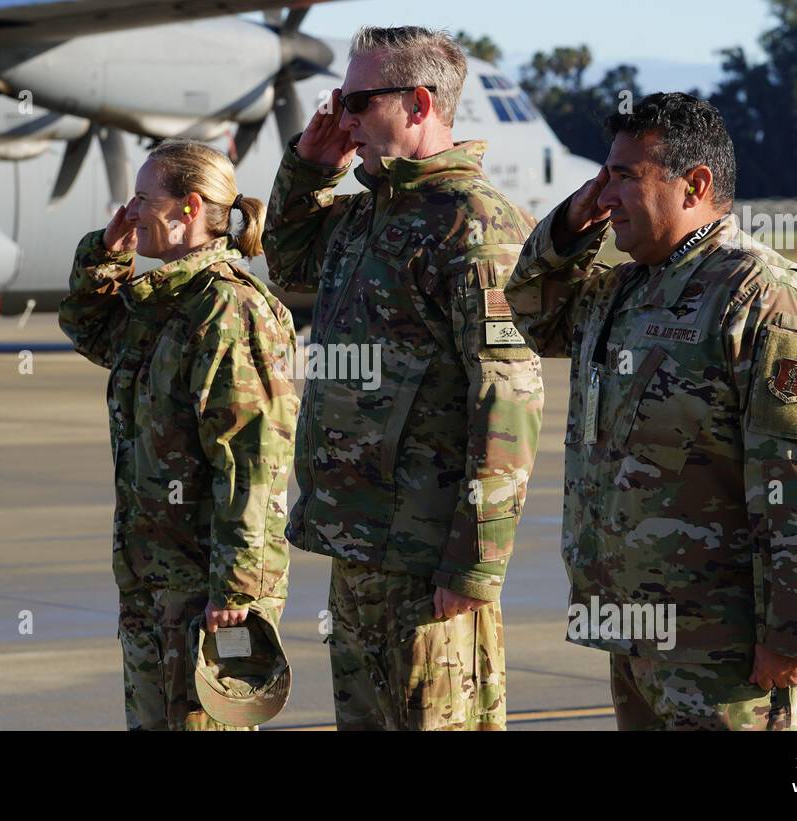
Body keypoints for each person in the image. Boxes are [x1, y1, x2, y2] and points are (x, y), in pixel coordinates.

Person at [505, 92, 797, 730]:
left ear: (695, 185)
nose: (607, 195)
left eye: (626, 177)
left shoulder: (762, 297)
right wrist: (568, 226)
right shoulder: (622, 289)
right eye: (604, 176)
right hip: (635, 631)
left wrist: (792, 632)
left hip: (729, 654)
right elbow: (533, 312)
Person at [262, 25, 544, 731]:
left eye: (357, 98)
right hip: (360, 546)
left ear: (419, 102)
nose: (342, 115)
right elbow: (288, 261)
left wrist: (475, 564)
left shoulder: (476, 227)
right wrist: (308, 165)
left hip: (428, 560)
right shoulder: (364, 216)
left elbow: (507, 399)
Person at [59, 140, 299, 731]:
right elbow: (94, 332)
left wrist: (240, 588)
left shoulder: (230, 313)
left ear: (189, 207)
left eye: (145, 199)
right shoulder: (166, 303)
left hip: (205, 593)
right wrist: (105, 256)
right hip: (154, 581)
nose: (133, 211)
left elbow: (253, 462)